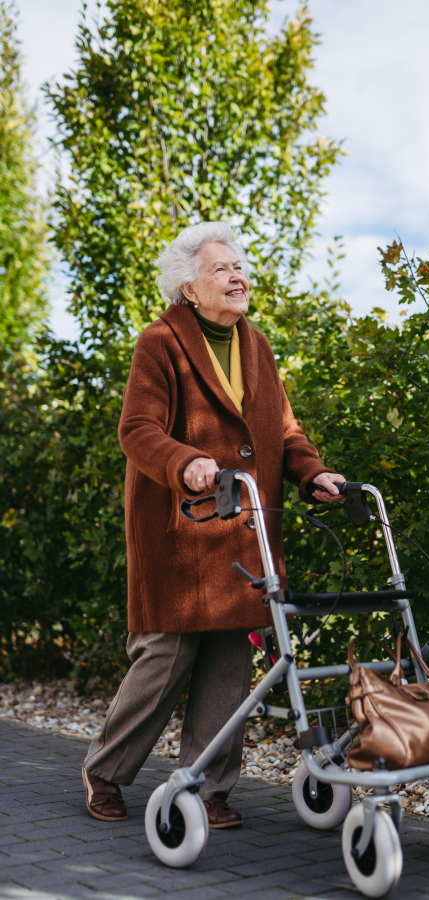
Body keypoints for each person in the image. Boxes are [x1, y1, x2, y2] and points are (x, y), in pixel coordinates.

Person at [81, 222, 345, 828]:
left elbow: (283, 432)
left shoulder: (257, 346)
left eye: (240, 265)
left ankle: (206, 787)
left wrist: (314, 475)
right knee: (166, 659)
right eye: (222, 268)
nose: (238, 275)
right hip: (182, 525)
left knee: (230, 663)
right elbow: (138, 430)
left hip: (243, 528)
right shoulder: (161, 342)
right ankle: (105, 772)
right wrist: (186, 462)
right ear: (188, 289)